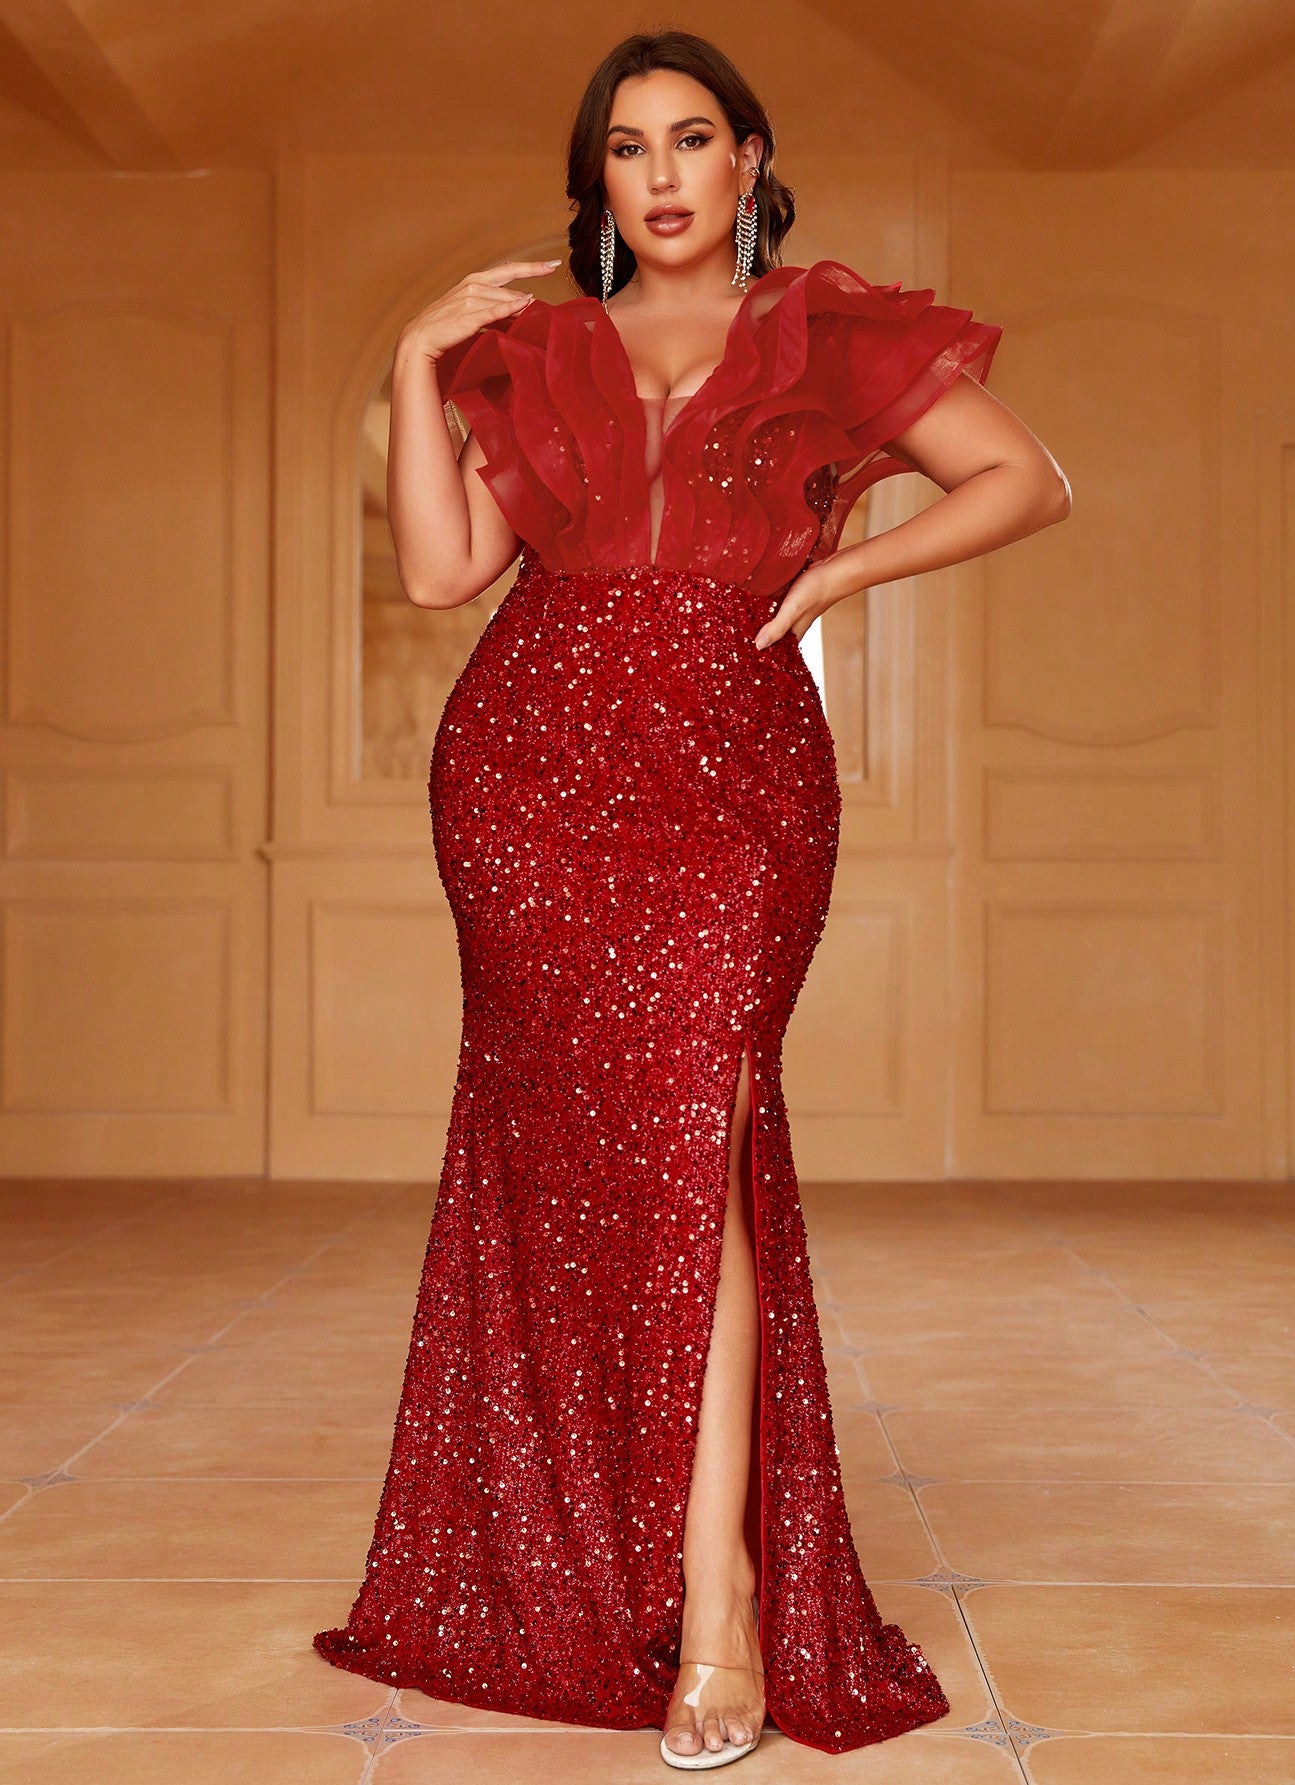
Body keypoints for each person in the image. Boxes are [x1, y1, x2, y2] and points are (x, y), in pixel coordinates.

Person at [313, 28, 1070, 1772]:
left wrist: (844, 572)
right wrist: (421, 357)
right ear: (599, 180)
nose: (660, 175)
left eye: (692, 139)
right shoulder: (534, 355)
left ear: (749, 163)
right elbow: (441, 569)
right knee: (574, 1161)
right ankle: (607, 1560)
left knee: (696, 1145)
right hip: (526, 777)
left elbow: (1027, 480)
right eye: (628, 147)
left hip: (735, 787)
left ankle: (720, 1606)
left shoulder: (826, 333)